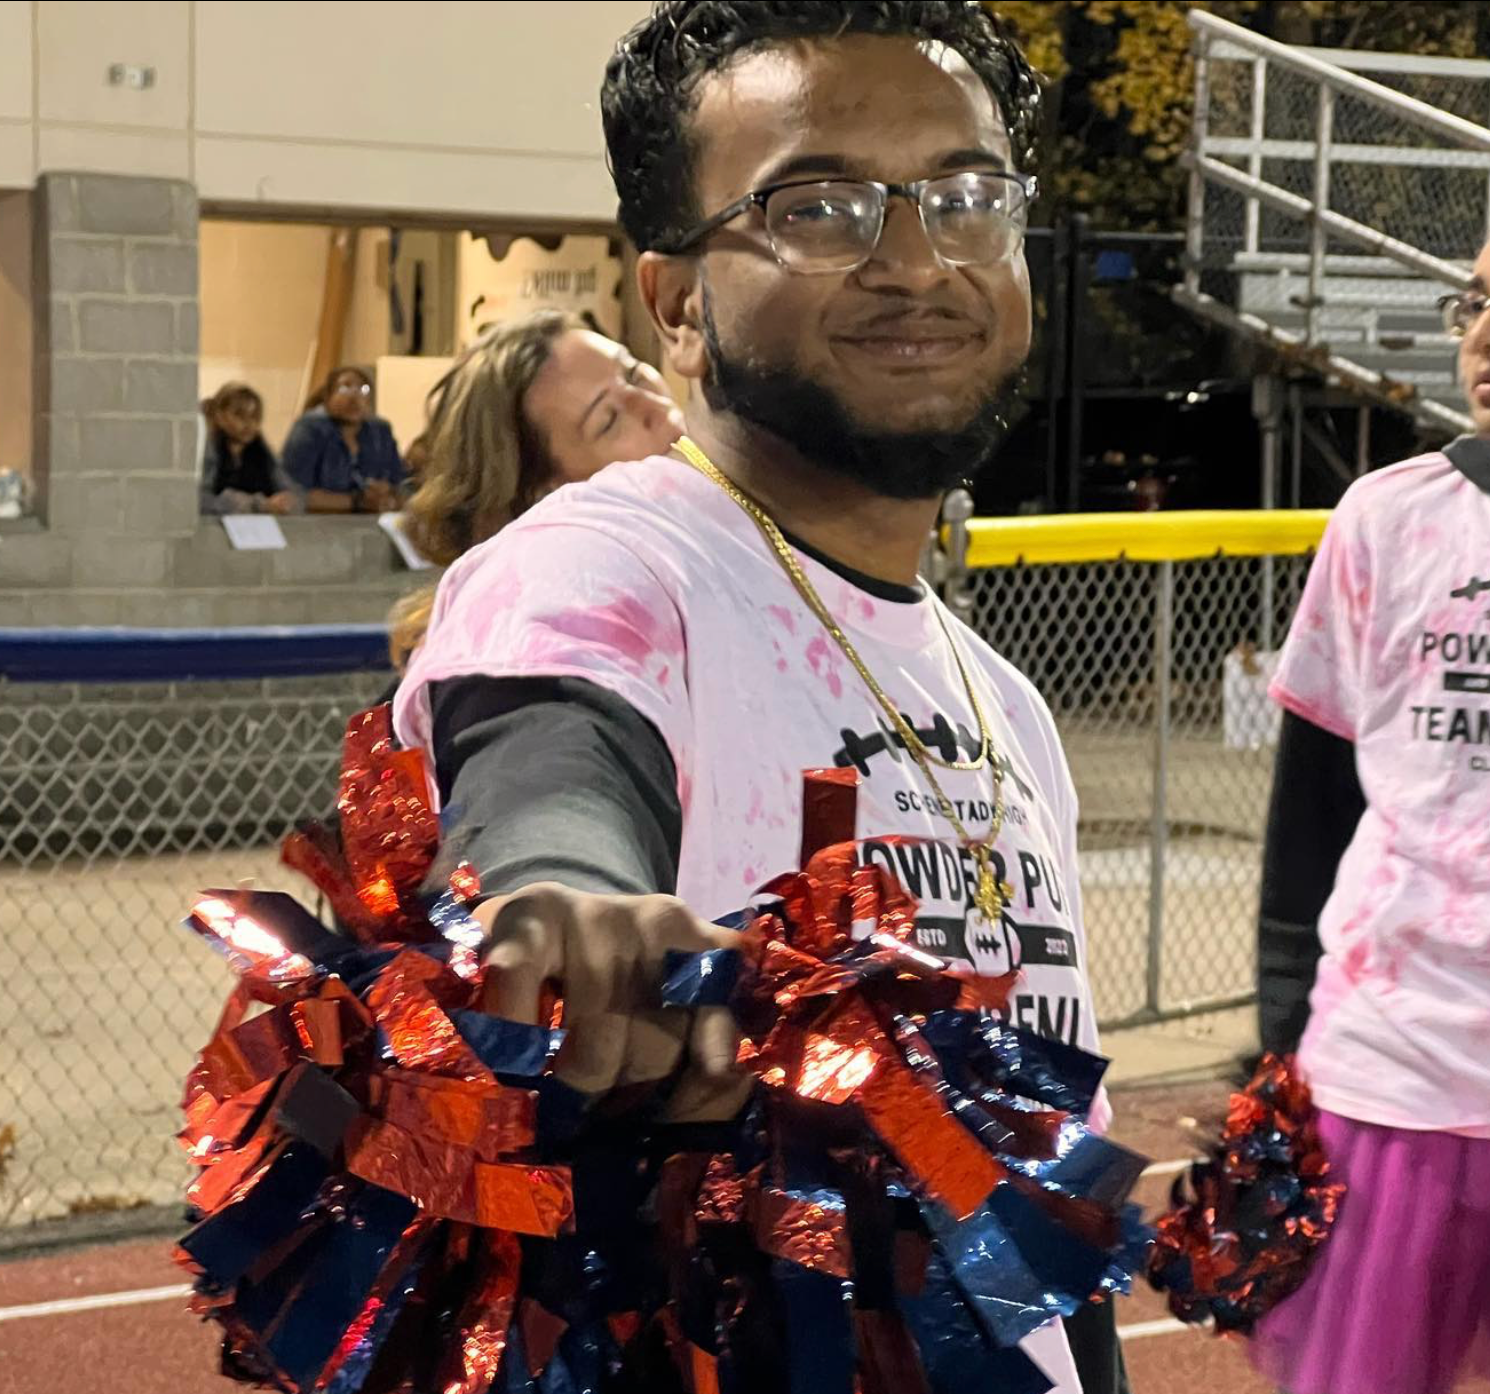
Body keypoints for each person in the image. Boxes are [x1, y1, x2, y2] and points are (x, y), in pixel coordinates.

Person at [394, 5, 1117, 1390]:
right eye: (820, 205)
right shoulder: (610, 561)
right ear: (673, 300)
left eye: (966, 197)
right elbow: (549, 751)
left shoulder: (1004, 701)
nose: (916, 260)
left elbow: (1033, 1211)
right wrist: (566, 887)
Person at [1249, 243, 1490, 1394]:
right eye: (1477, 301)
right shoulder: (1386, 518)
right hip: (1389, 1061)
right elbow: (1313, 794)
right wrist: (1278, 1011)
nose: (1482, 334)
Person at [387, 308, 684, 668]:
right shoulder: (539, 657)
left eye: (634, 374)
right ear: (543, 497)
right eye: (608, 420)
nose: (656, 406)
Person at [282, 366, 406, 513]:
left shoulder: (380, 430)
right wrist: (357, 501)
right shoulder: (310, 428)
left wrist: (388, 494)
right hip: (318, 523)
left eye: (363, 389)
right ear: (328, 397)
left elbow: (399, 484)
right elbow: (294, 493)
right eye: (344, 388)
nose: (354, 397)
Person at [198, 382, 298, 516]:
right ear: (219, 416)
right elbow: (199, 499)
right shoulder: (207, 450)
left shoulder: (263, 452)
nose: (249, 424)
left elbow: (292, 490)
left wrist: (287, 500)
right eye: (240, 416)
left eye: (255, 416)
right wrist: (255, 504)